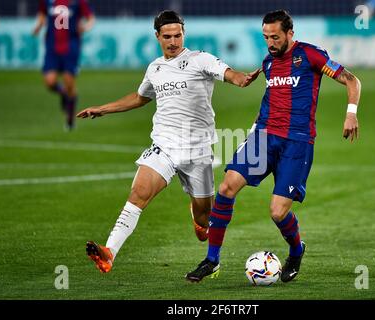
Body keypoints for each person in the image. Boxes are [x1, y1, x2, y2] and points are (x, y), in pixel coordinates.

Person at [77, 10, 261, 273]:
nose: (173, 42)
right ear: (157, 36)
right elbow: (140, 97)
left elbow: (227, 72)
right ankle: (109, 252)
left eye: (177, 35)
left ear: (183, 34)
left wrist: (241, 79)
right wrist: (103, 108)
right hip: (164, 145)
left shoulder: (200, 60)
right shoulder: (155, 68)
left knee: (204, 219)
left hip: (197, 150)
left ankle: (199, 223)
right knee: (139, 194)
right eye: (167, 37)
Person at [185, 9, 361, 283]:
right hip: (264, 137)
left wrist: (351, 112)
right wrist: (253, 132)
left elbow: (351, 80)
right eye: (266, 37)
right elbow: (271, 99)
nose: (270, 42)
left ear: (290, 33)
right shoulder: (269, 62)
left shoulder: (311, 56)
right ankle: (212, 259)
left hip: (297, 142)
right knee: (227, 186)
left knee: (278, 212)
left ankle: (296, 250)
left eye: (275, 37)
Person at [33, 0, 95, 130]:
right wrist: (39, 25)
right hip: (52, 47)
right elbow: (42, 14)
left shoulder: (78, 2)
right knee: (50, 82)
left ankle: (70, 119)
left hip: (71, 48)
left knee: (69, 82)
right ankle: (64, 94)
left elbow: (90, 18)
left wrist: (86, 27)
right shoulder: (48, 1)